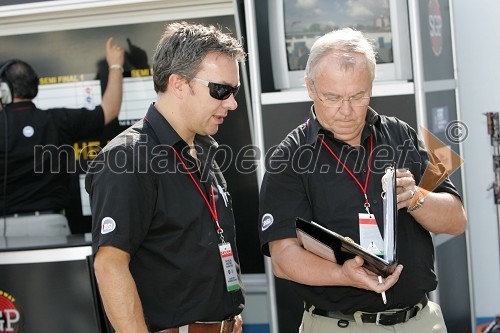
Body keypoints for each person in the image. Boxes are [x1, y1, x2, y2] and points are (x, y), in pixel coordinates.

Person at [258, 27, 467, 333]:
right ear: (310, 88)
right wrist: (344, 273)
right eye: (333, 97)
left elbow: (457, 220)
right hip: (338, 325)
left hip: (420, 321)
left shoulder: (402, 133)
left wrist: (417, 198)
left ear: (371, 85)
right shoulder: (288, 156)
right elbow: (283, 258)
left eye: (358, 96)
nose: (346, 111)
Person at [85, 22, 246, 333]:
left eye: (234, 91)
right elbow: (109, 266)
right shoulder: (127, 158)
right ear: (179, 84)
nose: (232, 103)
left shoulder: (205, 149)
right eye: (221, 90)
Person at [0, 37, 124, 237]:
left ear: (3, 90)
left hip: (5, 229)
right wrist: (116, 65)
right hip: (51, 225)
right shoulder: (57, 120)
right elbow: (109, 111)